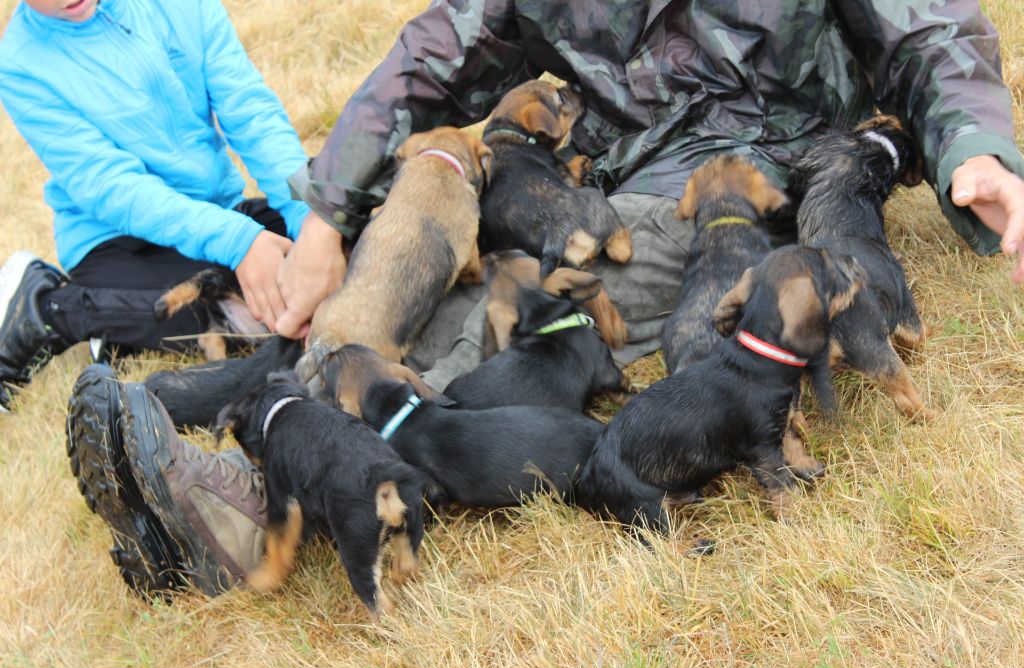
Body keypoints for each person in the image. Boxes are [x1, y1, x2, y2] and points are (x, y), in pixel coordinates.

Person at [59, 0, 1024, 597]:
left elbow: (933, 28)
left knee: (480, 349)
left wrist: (976, 148)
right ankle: (219, 435)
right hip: (604, 178)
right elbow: (429, 52)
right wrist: (321, 213)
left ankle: (249, 503)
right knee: (397, 265)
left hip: (737, 179)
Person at [0, 0, 345, 412]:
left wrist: (310, 217)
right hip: (118, 240)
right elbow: (112, 186)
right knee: (237, 318)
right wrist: (238, 242)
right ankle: (52, 309)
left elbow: (250, 111)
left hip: (214, 213)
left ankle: (125, 331)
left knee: (339, 248)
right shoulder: (20, 64)